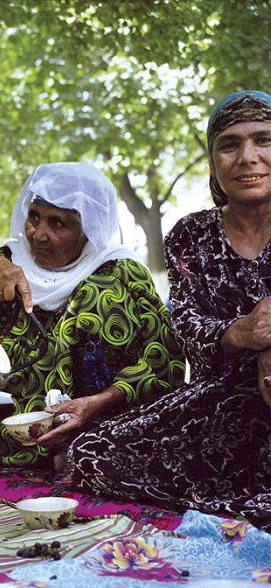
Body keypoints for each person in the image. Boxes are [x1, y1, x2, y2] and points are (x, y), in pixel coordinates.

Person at [0, 162, 185, 472]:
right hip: (11, 421)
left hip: (95, 418)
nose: (38, 234)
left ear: (89, 228)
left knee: (105, 451)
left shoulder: (121, 274)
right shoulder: (9, 262)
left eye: (58, 224)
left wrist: (95, 404)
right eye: (34, 217)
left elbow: (164, 363)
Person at [68, 91, 271, 529]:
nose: (248, 157)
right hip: (220, 402)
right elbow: (184, 325)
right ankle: (246, 506)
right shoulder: (191, 234)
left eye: (263, 140)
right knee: (89, 456)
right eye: (230, 144)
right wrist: (239, 332)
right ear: (214, 160)